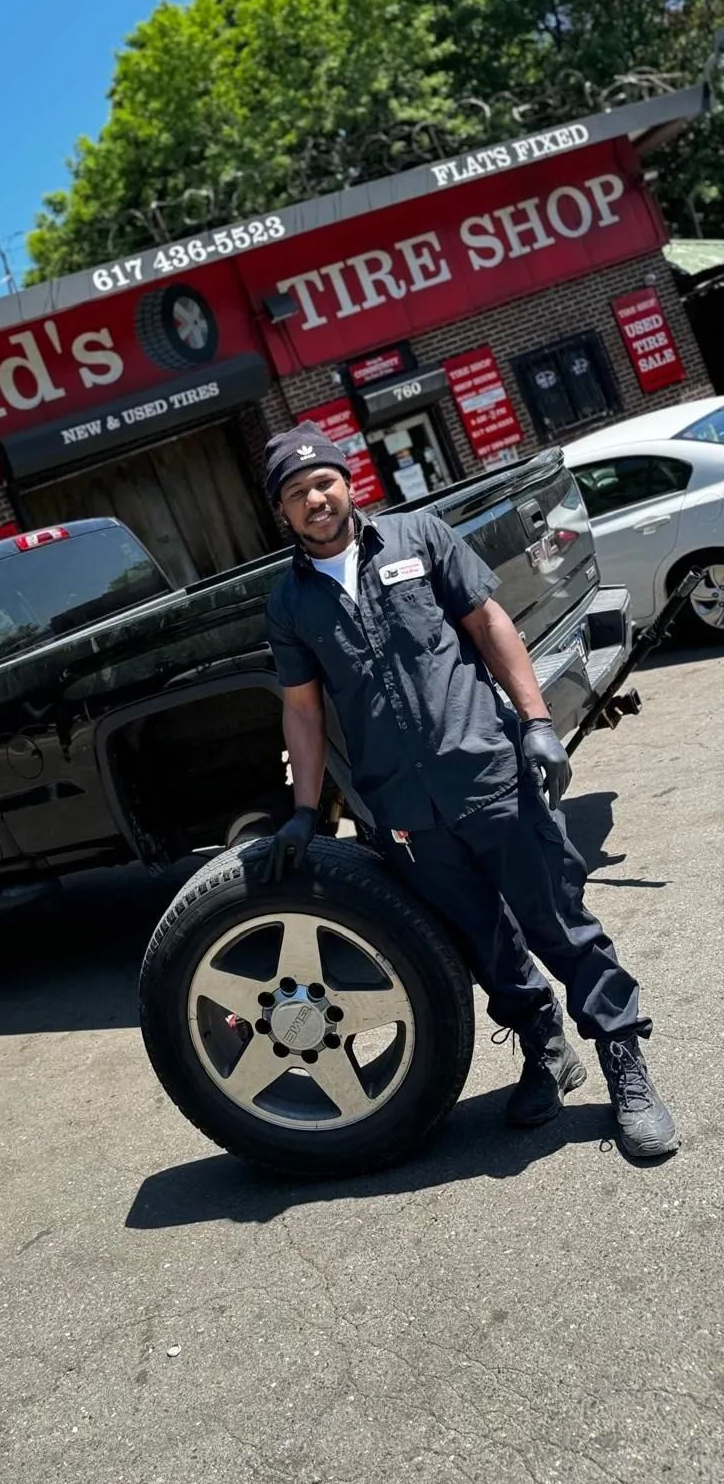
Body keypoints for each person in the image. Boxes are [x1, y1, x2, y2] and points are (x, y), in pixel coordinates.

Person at [261, 421, 679, 1160]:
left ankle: (624, 1059)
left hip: (486, 773)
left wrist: (538, 724)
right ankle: (546, 1046)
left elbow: (489, 624)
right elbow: (303, 708)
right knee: (483, 941)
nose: (315, 498)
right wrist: (303, 810)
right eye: (297, 493)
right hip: (405, 811)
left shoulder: (419, 538)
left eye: (322, 481)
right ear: (284, 513)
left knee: (558, 920)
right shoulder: (290, 602)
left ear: (346, 480)